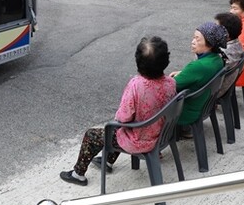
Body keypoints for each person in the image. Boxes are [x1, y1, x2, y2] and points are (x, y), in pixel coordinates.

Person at [60, 36, 176, 186]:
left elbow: (123, 117)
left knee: (96, 133)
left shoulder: (136, 85)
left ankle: (78, 174)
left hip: (139, 140)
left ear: (138, 62)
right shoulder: (171, 83)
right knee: (120, 129)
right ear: (165, 61)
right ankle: (107, 161)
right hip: (161, 134)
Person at [170, 22, 228, 132]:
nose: (193, 42)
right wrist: (184, 73)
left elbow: (172, 86)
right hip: (203, 104)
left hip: (186, 111)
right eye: (193, 38)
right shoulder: (217, 59)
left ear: (210, 44)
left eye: (197, 39)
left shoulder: (198, 66)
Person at [215, 12, 244, 98]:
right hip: (223, 85)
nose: (213, 30)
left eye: (216, 28)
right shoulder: (236, 44)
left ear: (226, 34)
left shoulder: (223, 53)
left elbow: (203, 71)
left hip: (214, 91)